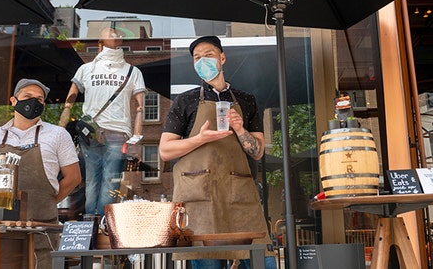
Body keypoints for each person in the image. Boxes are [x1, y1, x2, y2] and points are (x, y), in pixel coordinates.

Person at [160, 36, 275, 269]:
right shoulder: (186, 101)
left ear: (222, 58)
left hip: (238, 194)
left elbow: (258, 151)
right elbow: (165, 150)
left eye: (208, 55)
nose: (203, 60)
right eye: (197, 57)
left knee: (262, 261)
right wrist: (200, 139)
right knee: (208, 263)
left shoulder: (246, 100)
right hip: (199, 198)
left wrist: (240, 128)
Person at [0, 78, 81, 268]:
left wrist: (47, 200)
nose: (34, 102)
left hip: (41, 227)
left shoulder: (58, 135)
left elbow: (74, 178)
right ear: (14, 100)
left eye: (39, 100)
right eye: (28, 96)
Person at [59, 27, 146, 217]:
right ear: (100, 39)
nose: (115, 35)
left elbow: (140, 107)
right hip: (90, 132)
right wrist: (61, 126)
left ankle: (102, 225)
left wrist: (137, 136)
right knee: (91, 179)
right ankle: (92, 222)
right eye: (110, 32)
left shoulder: (133, 72)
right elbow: (70, 99)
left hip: (118, 132)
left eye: (118, 33)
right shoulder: (86, 69)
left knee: (109, 180)